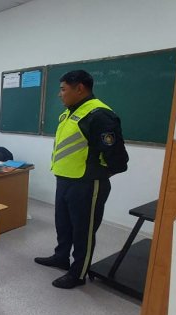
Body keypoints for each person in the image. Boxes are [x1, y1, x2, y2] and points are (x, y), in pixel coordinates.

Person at [35, 70, 129, 289]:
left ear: (79, 88)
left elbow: (116, 156)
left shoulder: (99, 114)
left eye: (63, 89)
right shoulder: (70, 112)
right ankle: (61, 257)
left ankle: (78, 273)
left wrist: (99, 174)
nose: (59, 94)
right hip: (65, 179)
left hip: (87, 183)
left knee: (83, 231)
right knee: (63, 224)